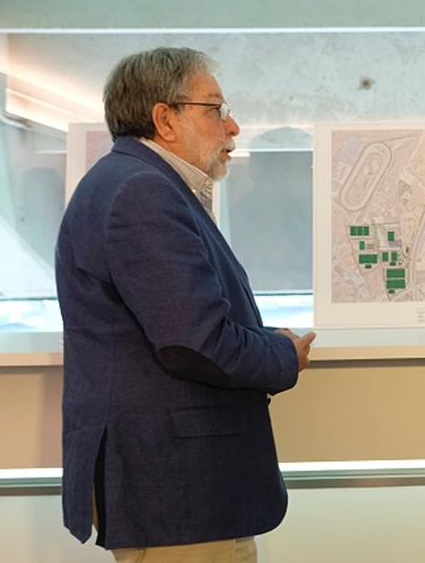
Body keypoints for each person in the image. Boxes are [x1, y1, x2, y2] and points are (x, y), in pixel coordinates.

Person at [56, 47, 316, 562]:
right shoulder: (142, 193)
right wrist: (284, 355)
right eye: (216, 109)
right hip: (178, 488)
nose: (233, 126)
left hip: (176, 487)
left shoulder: (132, 183)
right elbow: (195, 341)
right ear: (165, 119)